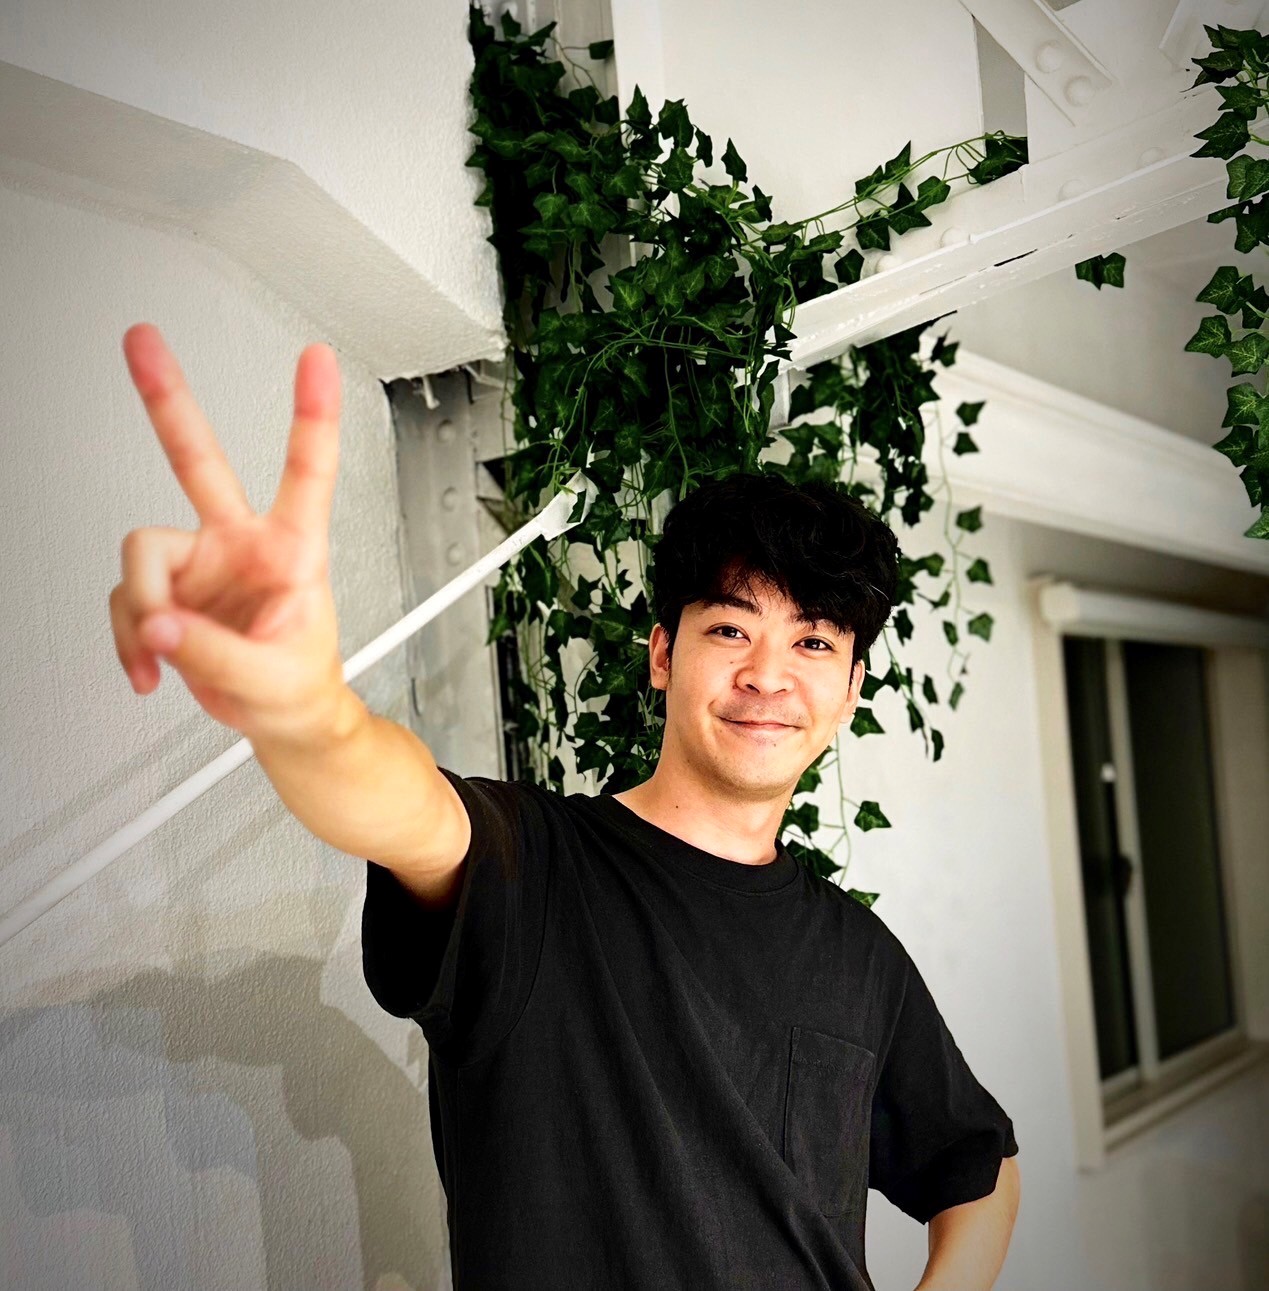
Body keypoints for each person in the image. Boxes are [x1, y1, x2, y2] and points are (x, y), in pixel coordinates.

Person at [111, 325, 1020, 1291]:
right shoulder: (531, 871)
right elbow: (401, 805)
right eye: (729, 629)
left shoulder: (859, 956)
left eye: (812, 644)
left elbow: (979, 1167)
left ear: (848, 690)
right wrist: (306, 713)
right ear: (662, 656)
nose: (767, 675)